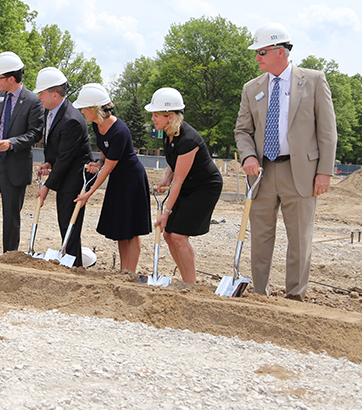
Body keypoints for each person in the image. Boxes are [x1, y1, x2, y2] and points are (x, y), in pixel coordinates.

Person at [235, 22, 337, 300]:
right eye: (257, 52)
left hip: (301, 172)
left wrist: (324, 172)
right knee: (261, 237)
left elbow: (327, 131)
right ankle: (259, 293)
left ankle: (295, 296)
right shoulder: (251, 88)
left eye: (262, 52)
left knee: (300, 239)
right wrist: (248, 155)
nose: (257, 57)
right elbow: (243, 130)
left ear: (281, 51)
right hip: (263, 173)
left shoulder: (314, 81)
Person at [146, 88, 223, 283]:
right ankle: (185, 280)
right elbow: (174, 165)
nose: (153, 118)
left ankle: (191, 285)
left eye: (156, 114)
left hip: (204, 187)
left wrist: (166, 212)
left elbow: (179, 181)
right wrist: (165, 179)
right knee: (168, 235)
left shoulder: (189, 139)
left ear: (169, 116)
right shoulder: (169, 132)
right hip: (187, 184)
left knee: (179, 236)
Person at [73, 84, 152, 273]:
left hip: (131, 180)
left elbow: (108, 169)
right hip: (118, 180)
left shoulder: (120, 131)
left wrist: (89, 193)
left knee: (132, 230)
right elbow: (104, 153)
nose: (82, 111)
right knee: (121, 230)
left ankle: (130, 273)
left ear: (96, 109)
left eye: (85, 108)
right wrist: (98, 162)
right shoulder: (97, 124)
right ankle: (123, 271)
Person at [0, 51, 44, 254]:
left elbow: (35, 133)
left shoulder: (33, 101)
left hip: (15, 165)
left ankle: (9, 255)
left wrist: (12, 143)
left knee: (11, 214)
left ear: (11, 79)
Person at [34, 68, 92, 267]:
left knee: (70, 223)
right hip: (63, 173)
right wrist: (49, 161)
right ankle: (70, 257)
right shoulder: (50, 112)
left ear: (55, 95)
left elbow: (66, 158)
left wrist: (46, 186)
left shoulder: (72, 120)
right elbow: (55, 146)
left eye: (41, 93)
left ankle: (74, 265)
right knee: (64, 221)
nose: (39, 96)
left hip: (74, 178)